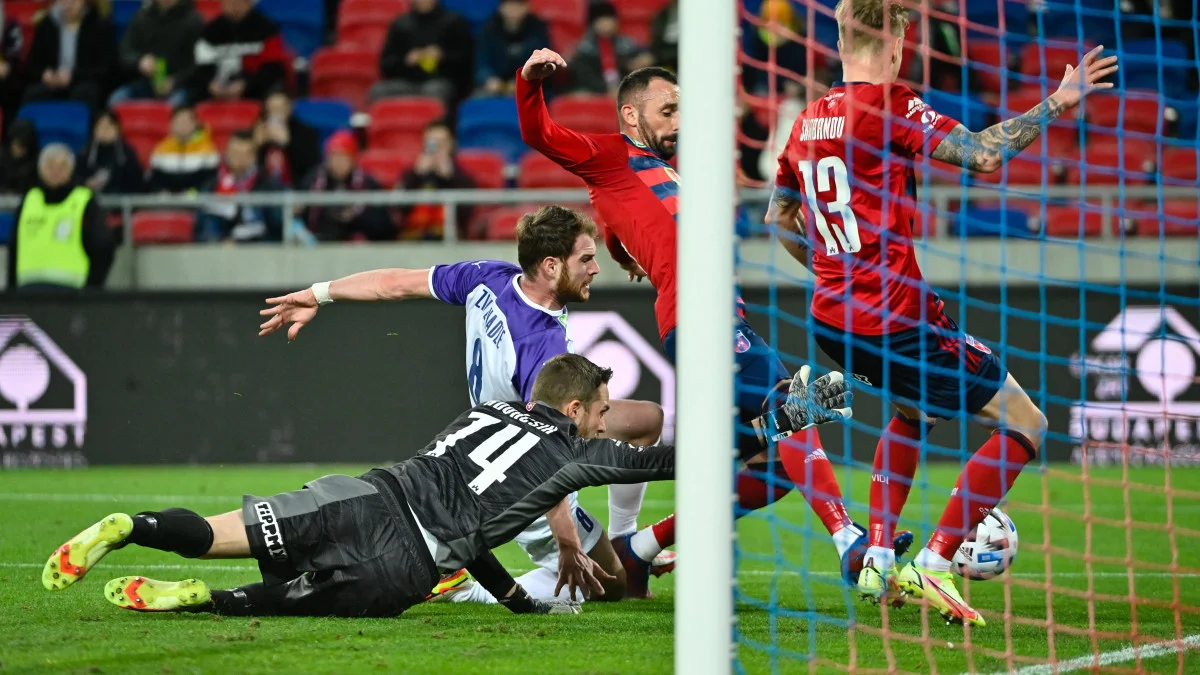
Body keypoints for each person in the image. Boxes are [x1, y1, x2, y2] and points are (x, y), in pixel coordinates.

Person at [768, 0, 1116, 625]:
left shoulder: (806, 121)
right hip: (896, 317)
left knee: (914, 409)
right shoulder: (891, 104)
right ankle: (935, 561)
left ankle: (878, 557)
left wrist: (831, 270)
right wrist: (1059, 102)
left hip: (831, 319)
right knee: (1027, 422)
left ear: (841, 42)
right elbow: (983, 154)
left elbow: (779, 218)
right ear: (896, 44)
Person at [516, 50, 908, 598]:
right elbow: (540, 134)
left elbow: (618, 227)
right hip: (699, 316)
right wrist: (529, 82)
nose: (679, 122)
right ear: (630, 115)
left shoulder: (662, 173)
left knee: (774, 468)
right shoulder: (609, 155)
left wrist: (628, 255)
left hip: (723, 314)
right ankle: (848, 542)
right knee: (794, 402)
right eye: (668, 111)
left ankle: (638, 549)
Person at [40, 353, 848, 616]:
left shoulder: (484, 410)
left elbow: (472, 520)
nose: (606, 423)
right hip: (406, 564)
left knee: (226, 532)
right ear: (574, 408)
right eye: (601, 410)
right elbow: (675, 460)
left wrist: (515, 596)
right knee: (281, 601)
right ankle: (205, 601)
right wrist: (777, 421)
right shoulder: (572, 456)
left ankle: (135, 526)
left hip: (363, 493)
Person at [258, 205, 670, 605]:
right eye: (586, 259)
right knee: (611, 586)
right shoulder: (542, 347)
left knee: (647, 419)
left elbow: (394, 283)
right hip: (518, 474)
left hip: (491, 431)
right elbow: (549, 453)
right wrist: (567, 542)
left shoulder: (488, 277)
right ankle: (465, 590)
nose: (595, 268)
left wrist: (319, 294)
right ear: (550, 266)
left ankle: (624, 537)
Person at [6, 143, 114, 291]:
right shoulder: (29, 200)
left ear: (71, 170)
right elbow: (14, 248)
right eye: (50, 166)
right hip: (28, 294)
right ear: (40, 169)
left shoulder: (84, 201)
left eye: (62, 167)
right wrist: (11, 293)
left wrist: (91, 291)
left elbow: (103, 247)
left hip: (71, 295)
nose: (56, 171)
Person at [371, 0, 474, 105]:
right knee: (379, 90)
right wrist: (405, 60)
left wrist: (442, 57)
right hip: (406, 81)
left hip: (441, 80)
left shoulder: (454, 22)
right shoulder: (400, 24)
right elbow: (386, 65)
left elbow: (466, 62)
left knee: (435, 90)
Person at [299, 130, 396, 241]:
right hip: (320, 241)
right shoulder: (313, 181)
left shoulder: (368, 183)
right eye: (334, 156)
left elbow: (384, 225)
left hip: (360, 243)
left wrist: (356, 216)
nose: (338, 162)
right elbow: (301, 215)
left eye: (344, 157)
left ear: (353, 159)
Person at [22, 0, 116, 111]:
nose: (68, 4)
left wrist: (73, 76)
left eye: (73, 1)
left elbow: (105, 67)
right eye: (64, 1)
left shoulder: (99, 25)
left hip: (84, 82)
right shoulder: (47, 24)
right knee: (33, 93)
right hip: (53, 82)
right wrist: (44, 74)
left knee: (85, 93)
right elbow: (32, 63)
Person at [108, 0, 204, 107]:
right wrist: (140, 61)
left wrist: (175, 81)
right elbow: (125, 52)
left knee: (173, 107)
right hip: (145, 83)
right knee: (116, 100)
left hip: (181, 86)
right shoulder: (141, 16)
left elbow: (199, 64)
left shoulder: (194, 20)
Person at [194, 129, 284, 242]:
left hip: (257, 248)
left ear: (253, 156)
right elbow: (201, 224)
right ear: (226, 151)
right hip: (216, 247)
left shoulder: (267, 184)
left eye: (244, 154)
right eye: (234, 152)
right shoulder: (211, 183)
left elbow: (276, 226)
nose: (238, 158)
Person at [189, 0, 288, 103]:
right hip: (214, 91)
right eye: (229, 3)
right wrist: (210, 84)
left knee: (276, 101)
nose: (234, 8)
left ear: (248, 4)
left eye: (238, 3)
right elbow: (201, 65)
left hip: (258, 89)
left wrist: (246, 84)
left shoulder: (266, 29)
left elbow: (273, 67)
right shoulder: (210, 32)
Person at [397, 119, 473, 240]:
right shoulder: (411, 174)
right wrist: (416, 175)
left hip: (450, 240)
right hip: (414, 239)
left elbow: (466, 215)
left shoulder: (462, 177)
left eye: (442, 143)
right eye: (432, 143)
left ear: (450, 144)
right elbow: (399, 211)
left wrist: (449, 177)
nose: (437, 148)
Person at [568, 2, 653, 96]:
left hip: (623, 90)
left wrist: (642, 59)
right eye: (602, 20)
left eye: (610, 20)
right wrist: (606, 90)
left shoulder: (624, 43)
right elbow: (585, 78)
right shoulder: (585, 48)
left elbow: (642, 54)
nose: (607, 24)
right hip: (595, 92)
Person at [474, 0, 549, 96]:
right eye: (510, 5)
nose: (514, 10)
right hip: (495, 85)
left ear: (527, 8)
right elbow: (482, 61)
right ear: (501, 8)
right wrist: (488, 78)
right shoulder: (489, 29)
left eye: (518, 6)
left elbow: (543, 63)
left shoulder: (538, 29)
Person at [254, 89, 322, 187]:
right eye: (272, 109)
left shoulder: (307, 133)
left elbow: (312, 168)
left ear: (289, 108)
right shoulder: (259, 130)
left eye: (280, 108)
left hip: (297, 189)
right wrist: (256, 146)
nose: (276, 113)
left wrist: (288, 144)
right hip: (262, 190)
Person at [147, 104, 221, 194]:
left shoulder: (208, 150)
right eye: (179, 121)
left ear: (195, 124)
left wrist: (192, 195)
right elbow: (155, 180)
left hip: (198, 199)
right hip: (166, 199)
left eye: (186, 121)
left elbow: (210, 180)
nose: (183, 125)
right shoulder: (160, 149)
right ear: (171, 124)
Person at [76, 109, 146, 195]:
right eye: (101, 126)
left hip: (121, 199)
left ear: (118, 129)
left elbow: (137, 182)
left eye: (109, 126)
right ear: (94, 130)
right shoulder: (85, 153)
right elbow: (76, 179)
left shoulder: (127, 153)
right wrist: (86, 183)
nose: (105, 130)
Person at [0, 120, 41, 195]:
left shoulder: (37, 163)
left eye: (22, 146)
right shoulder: (2, 157)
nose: (17, 149)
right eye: (15, 144)